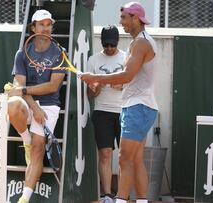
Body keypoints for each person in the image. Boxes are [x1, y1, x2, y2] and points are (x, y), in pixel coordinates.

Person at [81, 2, 158, 203]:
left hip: (137, 107)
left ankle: (121, 200)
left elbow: (126, 75)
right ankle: (141, 201)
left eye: (124, 17)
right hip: (139, 107)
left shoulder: (141, 43)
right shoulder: (139, 42)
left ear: (135, 18)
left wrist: (95, 77)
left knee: (124, 158)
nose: (121, 22)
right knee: (136, 160)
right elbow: (128, 77)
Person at [5, 9, 66, 203]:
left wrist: (25, 94)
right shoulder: (22, 53)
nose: (46, 28)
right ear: (33, 27)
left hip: (50, 105)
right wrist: (33, 106)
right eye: (42, 24)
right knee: (13, 104)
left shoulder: (60, 53)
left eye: (49, 25)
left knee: (39, 148)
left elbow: (52, 86)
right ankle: (26, 139)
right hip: (30, 104)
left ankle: (24, 198)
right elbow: (18, 88)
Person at [87, 25, 126, 203]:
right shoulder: (94, 60)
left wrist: (121, 86)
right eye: (106, 45)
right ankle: (108, 194)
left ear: (117, 42)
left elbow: (134, 85)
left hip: (124, 111)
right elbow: (90, 94)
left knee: (126, 156)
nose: (109, 48)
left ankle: (123, 195)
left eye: (112, 45)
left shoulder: (126, 57)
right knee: (105, 154)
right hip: (102, 112)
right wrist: (98, 86)